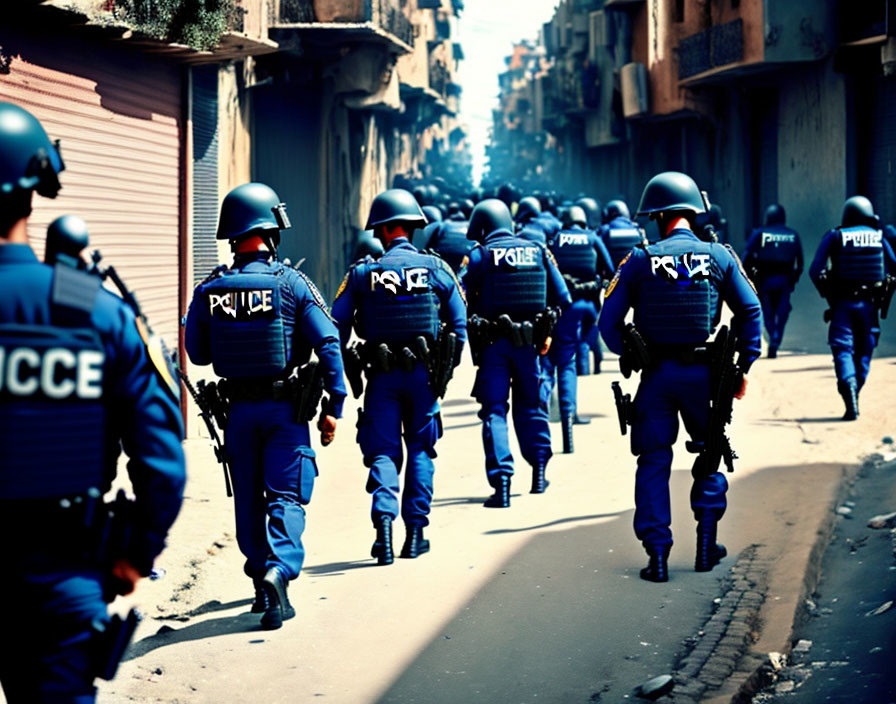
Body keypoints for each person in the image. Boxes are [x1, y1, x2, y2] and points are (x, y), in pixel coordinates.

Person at [0, 102, 186, 701]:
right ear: (37, 186)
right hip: (66, 574)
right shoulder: (95, 312)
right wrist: (138, 553)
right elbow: (162, 459)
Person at [185, 182, 346, 629]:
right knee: (287, 494)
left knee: (248, 500)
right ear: (271, 232)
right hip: (284, 413)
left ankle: (260, 584)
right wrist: (336, 402)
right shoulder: (292, 283)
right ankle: (281, 571)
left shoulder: (210, 288)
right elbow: (329, 342)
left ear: (232, 235)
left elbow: (196, 353)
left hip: (237, 414)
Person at [598, 171, 761, 583]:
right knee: (708, 454)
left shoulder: (638, 259)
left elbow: (608, 323)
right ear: (692, 212)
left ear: (657, 215)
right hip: (706, 378)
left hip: (656, 378)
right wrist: (743, 366)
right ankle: (706, 544)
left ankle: (657, 556)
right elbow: (750, 311)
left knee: (653, 460)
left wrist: (630, 354)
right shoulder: (720, 256)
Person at [331, 189, 467, 564]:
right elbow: (459, 325)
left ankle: (385, 531)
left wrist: (347, 367)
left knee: (384, 453)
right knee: (422, 449)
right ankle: (416, 534)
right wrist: (444, 373)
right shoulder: (438, 269)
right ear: (411, 227)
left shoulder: (362, 273)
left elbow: (335, 328)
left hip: (381, 379)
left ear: (384, 230)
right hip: (425, 379)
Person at [463, 199, 571, 506]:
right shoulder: (538, 250)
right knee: (531, 406)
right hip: (529, 347)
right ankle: (538, 471)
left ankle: (503, 485)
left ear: (483, 226)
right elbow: (562, 296)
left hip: (493, 346)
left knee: (495, 410)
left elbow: (459, 295)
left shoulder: (480, 255)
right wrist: (547, 330)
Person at [809, 195, 896, 420]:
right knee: (865, 351)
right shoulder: (879, 237)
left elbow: (815, 270)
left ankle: (849, 395)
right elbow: (894, 267)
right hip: (870, 307)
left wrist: (828, 295)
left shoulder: (836, 235)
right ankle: (855, 390)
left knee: (843, 349)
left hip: (843, 304)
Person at [545, 205, 614, 452]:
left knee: (559, 361)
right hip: (588, 307)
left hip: (565, 307)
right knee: (574, 353)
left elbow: (547, 271)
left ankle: (556, 411)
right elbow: (609, 269)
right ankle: (570, 414)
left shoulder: (554, 240)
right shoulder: (593, 237)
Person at [742, 204, 803, 358]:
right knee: (782, 313)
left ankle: (773, 339)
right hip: (785, 281)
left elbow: (746, 257)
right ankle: (776, 341)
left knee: (767, 312)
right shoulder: (793, 235)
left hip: (765, 280)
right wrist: (794, 279)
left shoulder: (759, 233)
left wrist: (748, 277)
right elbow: (800, 263)